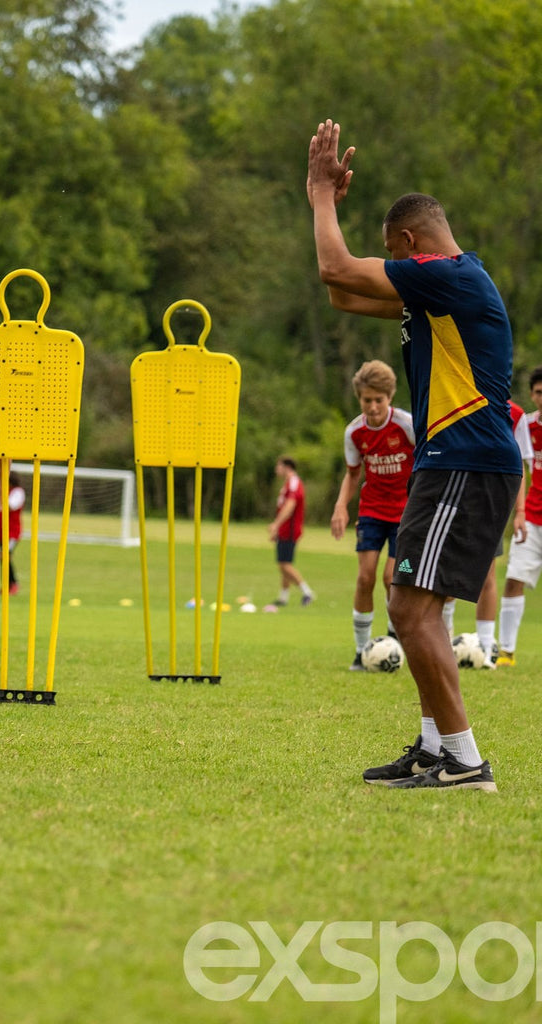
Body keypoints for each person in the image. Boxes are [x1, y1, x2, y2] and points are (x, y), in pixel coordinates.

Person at [309, 118, 522, 791]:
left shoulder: (449, 276)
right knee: (412, 605)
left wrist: (318, 197)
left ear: (407, 245)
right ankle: (437, 751)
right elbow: (343, 291)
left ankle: (463, 759)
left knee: (408, 605)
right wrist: (330, 215)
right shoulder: (440, 293)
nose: (392, 264)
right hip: (455, 459)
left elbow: (335, 266)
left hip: (466, 455)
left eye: (392, 254)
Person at [330, 361, 414, 669]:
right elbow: (353, 474)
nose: (374, 406)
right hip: (372, 510)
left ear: (389, 397)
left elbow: (426, 464)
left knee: (392, 578)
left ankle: (394, 637)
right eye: (368, 400)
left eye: (379, 400)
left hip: (406, 512)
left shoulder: (406, 425)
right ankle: (361, 650)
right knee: (365, 578)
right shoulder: (354, 432)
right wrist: (341, 506)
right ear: (359, 399)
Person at [442, 399, 532, 660]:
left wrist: (520, 511)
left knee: (487, 574)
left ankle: (486, 645)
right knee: (449, 571)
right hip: (457, 499)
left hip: (493, 504)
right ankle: (445, 635)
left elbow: (520, 468)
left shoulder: (515, 415)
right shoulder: (457, 402)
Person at [496, 368, 542, 665]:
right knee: (514, 579)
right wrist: (519, 513)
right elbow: (517, 471)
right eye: (539, 392)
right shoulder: (525, 425)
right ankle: (506, 652)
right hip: (533, 518)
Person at [264, 456, 315, 610]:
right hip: (285, 529)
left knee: (285, 564)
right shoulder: (288, 483)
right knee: (283, 564)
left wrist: (276, 524)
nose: (276, 469)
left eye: (278, 466)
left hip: (290, 529)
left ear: (286, 466)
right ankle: (283, 597)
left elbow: (290, 505)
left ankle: (307, 592)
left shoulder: (293, 482)